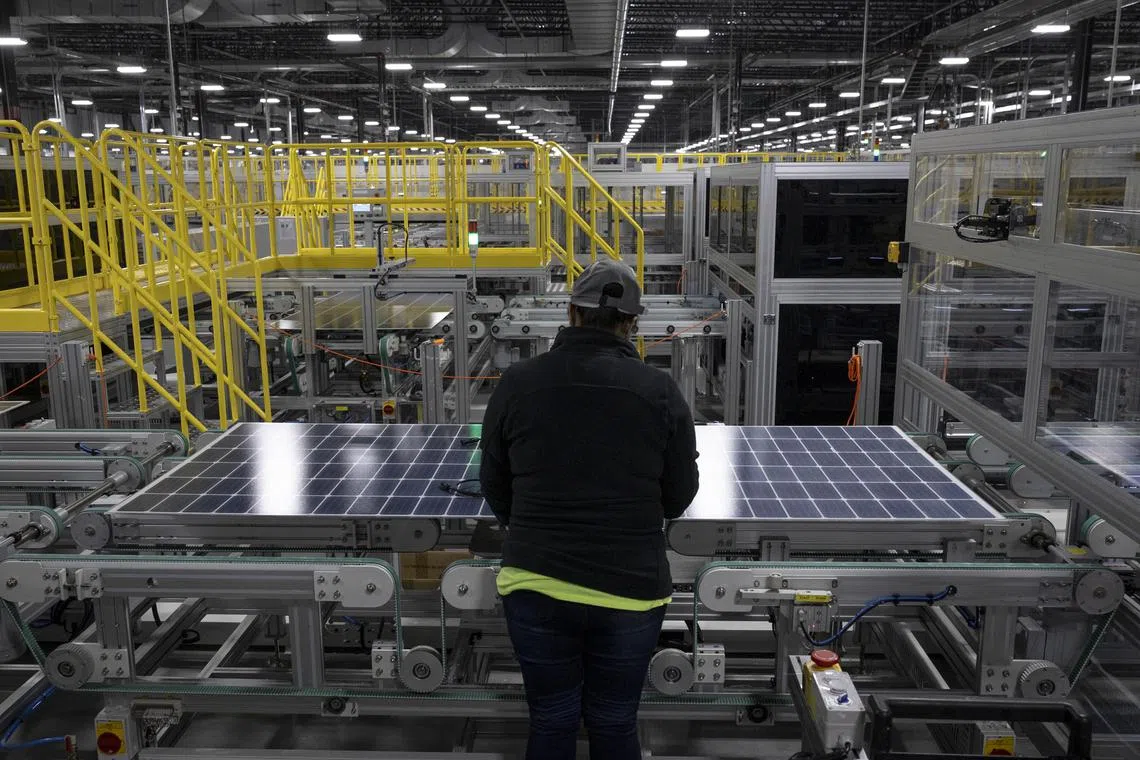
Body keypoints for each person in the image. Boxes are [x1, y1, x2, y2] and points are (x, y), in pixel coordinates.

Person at [479, 259, 700, 760]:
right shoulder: (659, 391)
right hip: (630, 591)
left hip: (535, 583)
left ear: (570, 312)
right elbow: (678, 495)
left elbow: (493, 481)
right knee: (614, 720)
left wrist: (534, 527)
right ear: (632, 324)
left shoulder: (517, 383)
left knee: (553, 719)